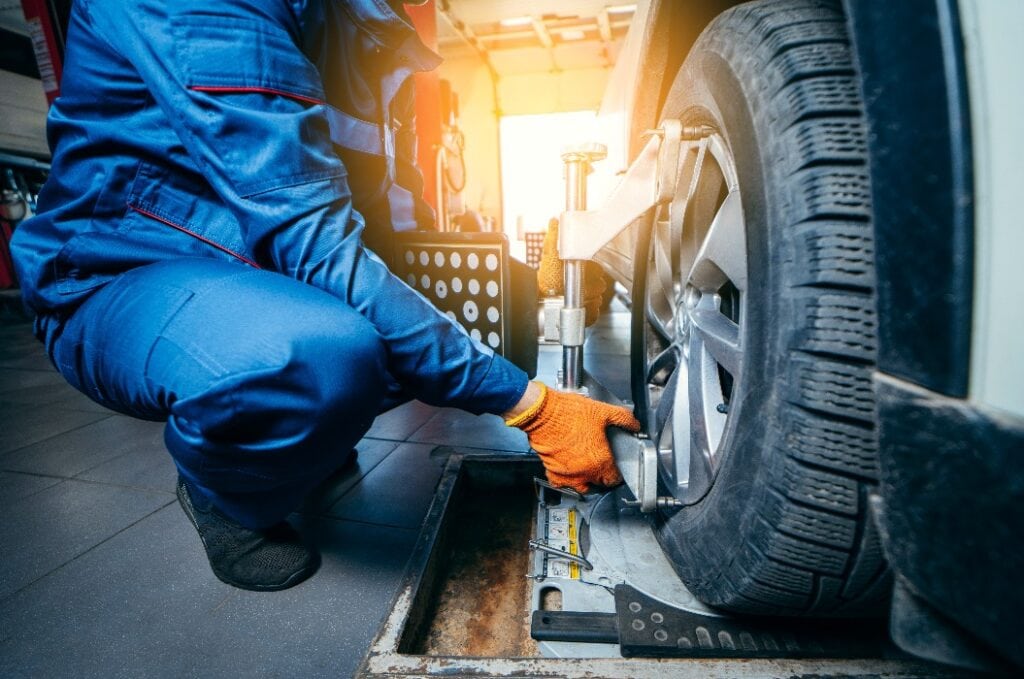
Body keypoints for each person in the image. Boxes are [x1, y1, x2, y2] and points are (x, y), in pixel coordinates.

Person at [10, 0, 639, 592]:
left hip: (250, 264)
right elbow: (313, 245)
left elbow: (367, 212)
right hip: (119, 272)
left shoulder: (349, 21)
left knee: (403, 332)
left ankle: (302, 435)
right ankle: (223, 492)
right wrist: (529, 405)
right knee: (322, 357)